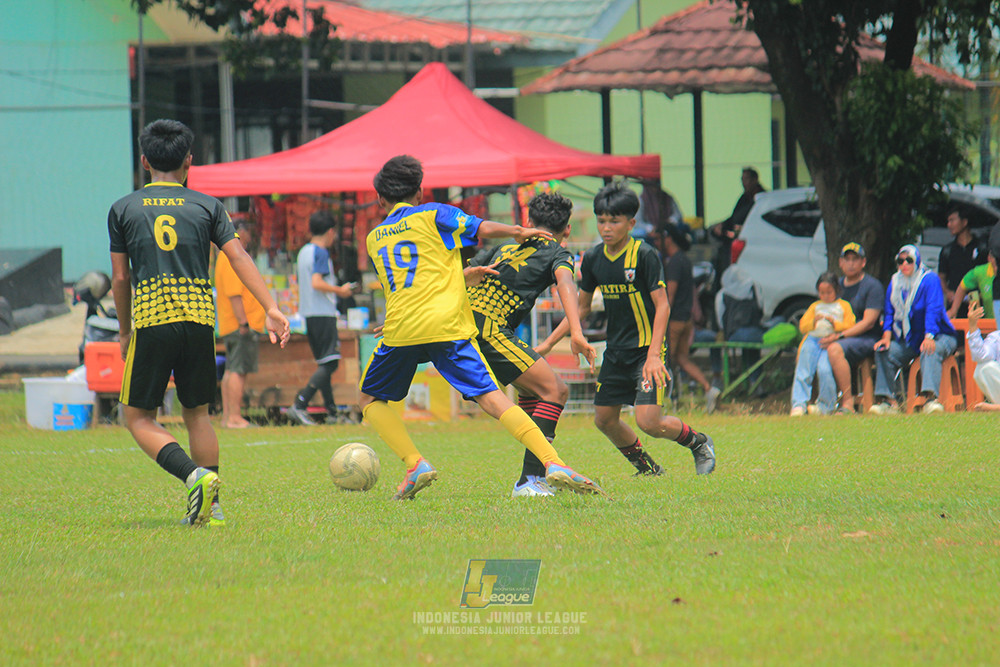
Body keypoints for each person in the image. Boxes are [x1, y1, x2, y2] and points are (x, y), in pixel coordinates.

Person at [359, 155, 606, 500]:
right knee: (494, 400)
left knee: (370, 398)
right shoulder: (434, 213)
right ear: (419, 192)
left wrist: (461, 278)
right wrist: (518, 230)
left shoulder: (374, 237)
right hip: (448, 326)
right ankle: (551, 463)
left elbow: (413, 283)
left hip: (402, 327)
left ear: (381, 199)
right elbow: (480, 227)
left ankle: (414, 463)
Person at [108, 119, 290, 527]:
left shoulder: (123, 208)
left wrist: (124, 330)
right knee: (198, 414)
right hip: (200, 321)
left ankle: (194, 477)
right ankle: (216, 507)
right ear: (190, 161)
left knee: (136, 416)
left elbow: (121, 278)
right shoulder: (208, 206)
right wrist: (271, 306)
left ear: (144, 161)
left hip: (154, 319)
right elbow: (238, 257)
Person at [544, 182, 716, 476]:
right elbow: (582, 307)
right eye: (602, 220)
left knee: (650, 422)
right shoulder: (595, 258)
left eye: (614, 221)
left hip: (647, 350)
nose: (606, 227)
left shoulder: (644, 255)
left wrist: (653, 356)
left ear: (631, 223)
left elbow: (663, 306)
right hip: (617, 351)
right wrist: (548, 343)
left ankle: (699, 443)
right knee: (604, 419)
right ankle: (648, 469)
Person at [465, 192, 596, 497]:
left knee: (532, 392)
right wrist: (576, 331)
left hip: (462, 328)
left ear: (527, 223)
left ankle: (538, 468)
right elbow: (566, 283)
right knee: (557, 390)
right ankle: (530, 479)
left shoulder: (500, 246)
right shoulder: (558, 253)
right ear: (567, 231)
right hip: (490, 329)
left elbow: (456, 280)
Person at [287, 211, 357, 426]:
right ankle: (300, 404)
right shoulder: (320, 252)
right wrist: (341, 291)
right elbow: (317, 283)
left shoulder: (303, 252)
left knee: (324, 362)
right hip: (323, 313)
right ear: (330, 232)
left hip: (309, 313)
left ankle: (332, 412)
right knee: (331, 362)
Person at [870, 245, 958, 414]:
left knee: (929, 349)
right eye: (900, 261)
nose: (904, 264)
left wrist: (929, 336)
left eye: (909, 260)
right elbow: (889, 312)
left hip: (940, 335)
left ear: (917, 261)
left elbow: (934, 309)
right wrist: (886, 336)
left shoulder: (929, 279)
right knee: (883, 351)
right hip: (912, 339)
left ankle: (931, 400)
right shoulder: (895, 282)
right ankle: (888, 402)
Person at [658, 221, 720, 413]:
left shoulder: (675, 262)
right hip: (686, 320)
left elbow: (670, 294)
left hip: (675, 320)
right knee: (682, 359)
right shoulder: (684, 259)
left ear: (668, 239)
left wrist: (660, 316)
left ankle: (664, 401)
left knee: (664, 359)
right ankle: (709, 388)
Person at [215, 219, 267, 429]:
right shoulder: (231, 254)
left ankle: (229, 416)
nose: (249, 237)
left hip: (231, 324)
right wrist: (243, 322)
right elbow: (235, 293)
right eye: (247, 232)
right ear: (239, 233)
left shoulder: (223, 256)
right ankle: (234, 416)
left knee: (232, 369)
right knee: (238, 370)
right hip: (239, 324)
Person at [822, 242, 885, 412]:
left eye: (855, 259)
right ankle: (814, 404)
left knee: (834, 349)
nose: (851, 263)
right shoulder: (837, 287)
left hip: (867, 338)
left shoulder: (872, 286)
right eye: (847, 259)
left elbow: (868, 322)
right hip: (840, 337)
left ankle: (847, 403)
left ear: (863, 262)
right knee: (813, 346)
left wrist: (839, 336)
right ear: (840, 263)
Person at [789, 272, 856, 416]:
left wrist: (835, 324)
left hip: (830, 342)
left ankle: (826, 406)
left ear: (836, 290)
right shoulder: (815, 306)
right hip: (813, 340)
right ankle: (799, 404)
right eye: (822, 293)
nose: (825, 296)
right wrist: (813, 322)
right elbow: (803, 326)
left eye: (829, 292)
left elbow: (850, 325)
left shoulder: (843, 306)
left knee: (825, 370)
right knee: (804, 370)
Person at [714, 263, 766, 391]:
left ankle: (739, 385)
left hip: (734, 334)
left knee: (747, 343)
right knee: (753, 350)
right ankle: (756, 382)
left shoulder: (722, 295)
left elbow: (720, 321)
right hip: (755, 332)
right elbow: (760, 308)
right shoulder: (754, 288)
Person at [710, 167, 765, 286]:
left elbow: (744, 218)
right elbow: (735, 216)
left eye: (747, 179)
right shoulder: (744, 197)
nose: (744, 183)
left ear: (755, 180)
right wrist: (722, 226)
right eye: (742, 179)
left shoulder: (761, 198)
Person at [937, 204, 986, 317]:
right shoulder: (947, 250)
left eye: (952, 220)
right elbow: (942, 276)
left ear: (964, 222)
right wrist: (948, 292)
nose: (949, 225)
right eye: (948, 221)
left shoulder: (981, 248)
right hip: (954, 305)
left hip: (976, 306)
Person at [965, 301, 1000, 411]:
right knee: (983, 368)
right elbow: (980, 356)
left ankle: (996, 408)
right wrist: (973, 325)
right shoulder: (996, 338)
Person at [947, 249, 996, 319]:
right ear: (989, 258)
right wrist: (953, 310)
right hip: (990, 325)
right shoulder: (981, 272)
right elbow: (963, 285)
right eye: (996, 259)